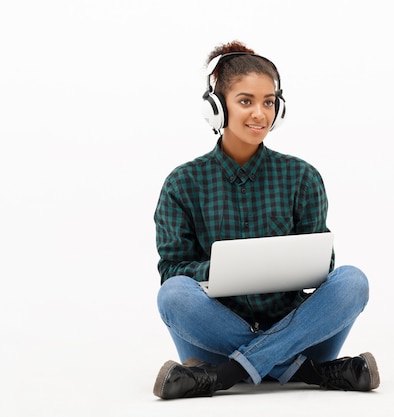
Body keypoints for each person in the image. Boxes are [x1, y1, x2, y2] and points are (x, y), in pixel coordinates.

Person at [152, 40, 379, 400]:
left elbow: (322, 267)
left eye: (269, 102)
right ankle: (308, 373)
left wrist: (309, 263)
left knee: (353, 281)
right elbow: (172, 270)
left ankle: (227, 377)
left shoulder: (302, 176)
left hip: (297, 335)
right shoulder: (183, 183)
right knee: (173, 295)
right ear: (217, 107)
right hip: (216, 341)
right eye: (245, 101)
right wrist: (223, 271)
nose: (260, 113)